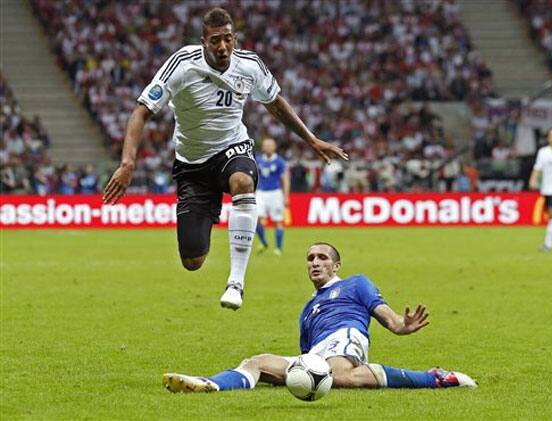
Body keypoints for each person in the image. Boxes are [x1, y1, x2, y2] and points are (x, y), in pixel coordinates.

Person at [102, 8, 348, 310]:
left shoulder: (250, 65)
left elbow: (275, 104)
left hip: (234, 148)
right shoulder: (181, 65)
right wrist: (128, 162)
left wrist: (310, 139)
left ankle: (236, 282)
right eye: (215, 40)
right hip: (192, 164)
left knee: (243, 182)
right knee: (193, 260)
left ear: (235, 39)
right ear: (204, 41)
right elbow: (141, 111)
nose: (222, 47)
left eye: (228, 39)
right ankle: (214, 215)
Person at [162, 243, 477, 393]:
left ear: (336, 265)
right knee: (257, 362)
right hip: (314, 355)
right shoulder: (307, 310)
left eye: (322, 258)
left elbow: (391, 321)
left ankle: (433, 378)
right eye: (310, 258)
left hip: (346, 337)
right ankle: (209, 385)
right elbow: (304, 355)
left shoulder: (356, 283)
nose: (314, 263)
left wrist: (401, 325)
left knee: (339, 376)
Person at [255, 137, 289, 256]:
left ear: (274, 147)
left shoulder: (280, 162)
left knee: (278, 221)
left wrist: (286, 196)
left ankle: (278, 248)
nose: (268, 147)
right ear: (263, 147)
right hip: (260, 193)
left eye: (270, 145)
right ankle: (264, 242)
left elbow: (285, 179)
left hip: (275, 193)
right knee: (256, 219)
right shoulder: (258, 160)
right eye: (266, 145)